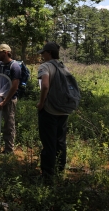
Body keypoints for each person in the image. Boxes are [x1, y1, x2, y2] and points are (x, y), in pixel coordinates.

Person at [36, 42, 70, 182]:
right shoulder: (64, 67)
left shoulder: (45, 66)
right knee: (60, 140)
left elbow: (44, 85)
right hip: (63, 109)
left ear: (49, 53)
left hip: (49, 110)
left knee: (48, 142)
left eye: (43, 53)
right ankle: (60, 169)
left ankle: (47, 174)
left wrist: (41, 103)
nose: (42, 55)